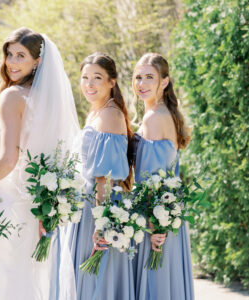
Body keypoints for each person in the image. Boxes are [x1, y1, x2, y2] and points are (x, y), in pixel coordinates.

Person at [0, 27, 80, 300]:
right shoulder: (49, 101)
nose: (11, 62)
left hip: (6, 204)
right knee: (30, 281)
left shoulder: (12, 97)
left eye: (21, 55)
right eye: (9, 54)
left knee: (1, 281)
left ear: (38, 61)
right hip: (37, 209)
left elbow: (9, 159)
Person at [66, 52, 135, 300]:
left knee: (96, 280)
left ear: (112, 82)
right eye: (85, 78)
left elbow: (103, 177)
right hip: (87, 206)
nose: (89, 84)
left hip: (100, 207)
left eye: (97, 78)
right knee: (84, 278)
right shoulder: (96, 113)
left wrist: (101, 222)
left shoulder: (109, 114)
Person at [131, 53, 193, 300]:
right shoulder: (164, 111)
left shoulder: (155, 117)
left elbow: (153, 181)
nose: (142, 84)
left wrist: (154, 225)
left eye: (149, 77)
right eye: (138, 77)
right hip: (165, 213)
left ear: (164, 81)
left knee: (155, 287)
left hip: (156, 219)